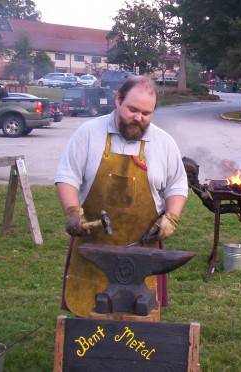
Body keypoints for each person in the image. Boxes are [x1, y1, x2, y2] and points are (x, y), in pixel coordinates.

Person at [55, 75, 188, 318]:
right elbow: (67, 176)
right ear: (118, 100)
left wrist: (172, 217)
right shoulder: (88, 134)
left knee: (139, 321)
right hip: (93, 248)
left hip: (142, 250)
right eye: (133, 109)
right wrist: (73, 212)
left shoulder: (164, 143)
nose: (139, 118)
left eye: (146, 113)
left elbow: (177, 184)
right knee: (88, 315)